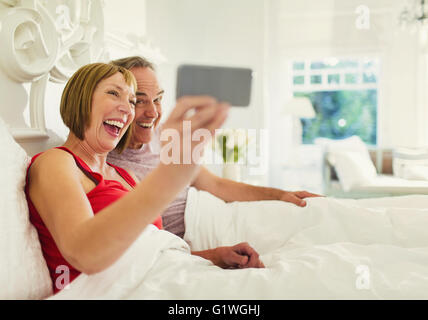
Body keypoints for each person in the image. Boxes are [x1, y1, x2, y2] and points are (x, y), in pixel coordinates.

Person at [25, 63, 264, 294]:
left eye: (130, 101)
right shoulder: (56, 162)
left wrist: (216, 256)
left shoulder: (125, 177)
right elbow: (83, 253)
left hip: (166, 278)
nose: (127, 109)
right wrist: (169, 177)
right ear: (80, 100)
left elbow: (147, 256)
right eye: (113, 93)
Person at [106, 56, 321, 254]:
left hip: (216, 211)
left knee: (314, 213)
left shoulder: (164, 134)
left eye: (158, 99)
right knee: (310, 234)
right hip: (198, 233)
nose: (153, 113)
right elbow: (144, 250)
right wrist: (209, 256)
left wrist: (281, 195)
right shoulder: (105, 166)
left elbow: (215, 185)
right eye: (139, 101)